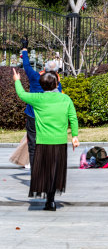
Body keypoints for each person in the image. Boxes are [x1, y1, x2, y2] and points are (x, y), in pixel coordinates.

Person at [12, 68, 78, 211]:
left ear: (42, 86)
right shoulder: (65, 99)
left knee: (45, 171)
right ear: (56, 84)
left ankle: (49, 200)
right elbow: (73, 117)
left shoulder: (38, 99)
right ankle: (51, 200)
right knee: (56, 171)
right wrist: (75, 136)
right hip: (59, 142)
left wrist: (17, 81)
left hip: (42, 142)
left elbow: (21, 94)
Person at [20, 42, 62, 171]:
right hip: (48, 118)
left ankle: (36, 172)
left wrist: (25, 49)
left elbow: (26, 65)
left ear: (43, 69)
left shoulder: (35, 77)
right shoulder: (57, 85)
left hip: (33, 115)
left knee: (33, 146)